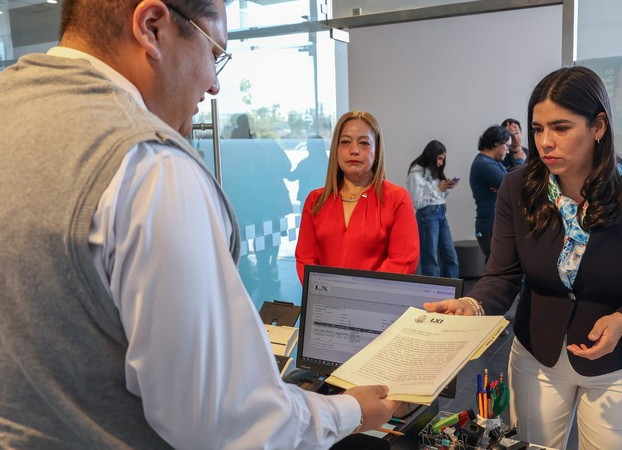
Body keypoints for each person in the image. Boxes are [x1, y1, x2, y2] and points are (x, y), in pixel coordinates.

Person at [0, 1, 396, 448]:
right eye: (214, 52)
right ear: (152, 27)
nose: (214, 85)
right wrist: (349, 411)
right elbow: (228, 422)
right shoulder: (149, 167)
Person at [424, 66, 622, 449]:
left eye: (561, 128)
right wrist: (472, 303)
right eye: (537, 129)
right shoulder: (518, 187)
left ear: (598, 125)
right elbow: (502, 274)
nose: (545, 142)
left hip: (619, 363)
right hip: (538, 355)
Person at [295, 111, 419, 283]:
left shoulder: (397, 199)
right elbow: (305, 260)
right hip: (326, 303)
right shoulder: (315, 200)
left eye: (364, 143)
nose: (354, 150)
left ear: (376, 152)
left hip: (377, 305)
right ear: (336, 150)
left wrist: (357, 297)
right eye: (345, 142)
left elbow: (402, 262)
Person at [406, 139, 459, 278]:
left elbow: (437, 196)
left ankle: (454, 294)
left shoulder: (434, 171)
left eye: (443, 159)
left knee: (450, 256)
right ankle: (433, 296)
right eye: (440, 158)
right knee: (430, 260)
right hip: (427, 217)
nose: (441, 163)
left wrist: (445, 188)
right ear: (432, 155)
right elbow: (418, 203)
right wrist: (438, 189)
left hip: (440, 213)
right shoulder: (415, 174)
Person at [469, 125, 512, 260]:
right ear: (496, 143)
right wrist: (520, 161)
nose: (508, 151)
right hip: (490, 227)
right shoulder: (484, 164)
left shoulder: (493, 162)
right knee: (498, 271)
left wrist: (504, 188)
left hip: (494, 225)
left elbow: (508, 183)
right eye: (507, 146)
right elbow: (512, 185)